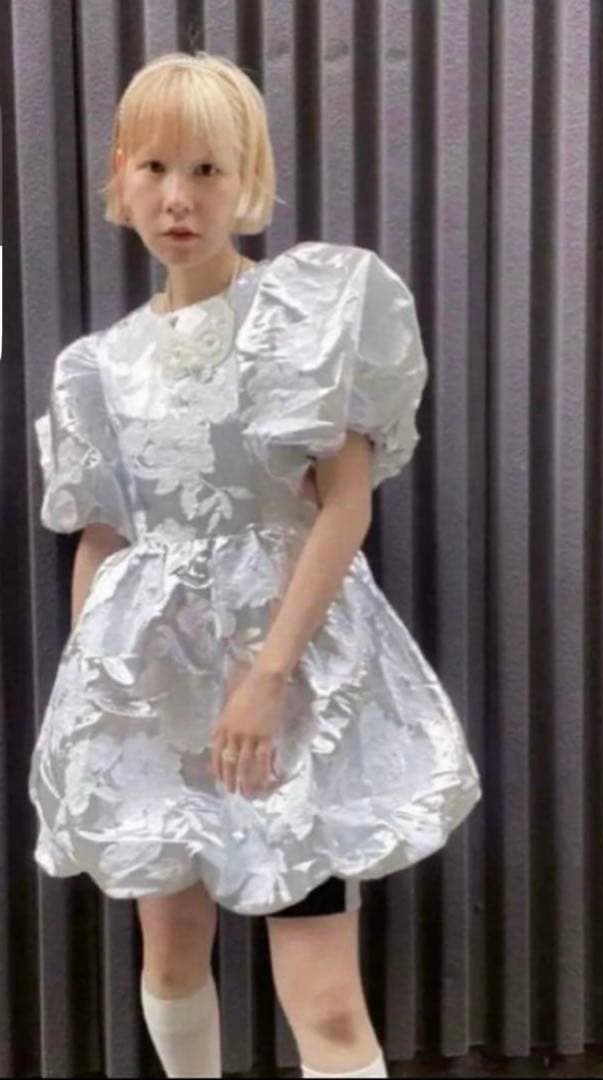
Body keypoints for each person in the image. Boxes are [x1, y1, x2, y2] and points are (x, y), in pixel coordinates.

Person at [28, 50, 482, 1080]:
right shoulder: (95, 367)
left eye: (207, 170)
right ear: (119, 176)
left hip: (291, 682)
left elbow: (344, 504)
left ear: (248, 180)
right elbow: (102, 536)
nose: (178, 198)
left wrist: (269, 675)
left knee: (323, 998)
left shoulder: (303, 315)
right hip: (153, 687)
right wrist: (95, 696)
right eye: (154, 167)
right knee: (171, 960)